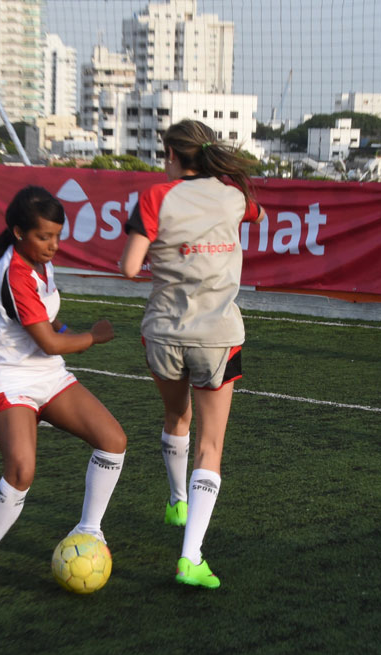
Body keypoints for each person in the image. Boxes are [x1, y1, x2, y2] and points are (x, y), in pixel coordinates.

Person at [119, 120, 265, 590]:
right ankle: (191, 558)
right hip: (218, 335)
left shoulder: (155, 197)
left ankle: (177, 499)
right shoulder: (234, 197)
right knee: (211, 446)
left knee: (175, 417)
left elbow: (129, 268)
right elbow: (257, 214)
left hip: (162, 332)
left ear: (171, 155)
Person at [0, 186, 127, 587]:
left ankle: (89, 530)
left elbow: (49, 323)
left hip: (46, 375)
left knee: (113, 440)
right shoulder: (14, 272)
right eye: (43, 237)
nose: (53, 245)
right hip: (5, 379)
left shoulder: (39, 262)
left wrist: (66, 329)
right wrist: (93, 336)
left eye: (57, 235)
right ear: (19, 232)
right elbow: (50, 343)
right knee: (21, 469)